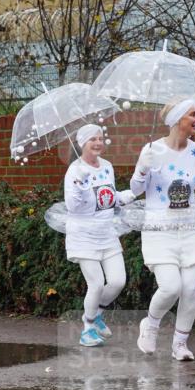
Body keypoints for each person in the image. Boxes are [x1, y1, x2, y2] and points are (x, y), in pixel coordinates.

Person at [130, 99, 195, 361]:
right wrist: (142, 168)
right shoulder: (152, 150)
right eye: (193, 114)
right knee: (171, 287)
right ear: (178, 118)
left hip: (191, 227)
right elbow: (136, 190)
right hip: (159, 230)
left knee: (191, 288)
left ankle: (180, 343)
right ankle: (150, 324)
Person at [64, 124, 135, 346]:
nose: (97, 143)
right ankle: (87, 329)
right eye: (92, 139)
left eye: (100, 138)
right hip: (83, 236)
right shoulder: (74, 170)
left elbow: (107, 198)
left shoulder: (107, 166)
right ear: (81, 144)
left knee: (117, 281)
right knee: (95, 284)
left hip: (107, 233)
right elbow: (73, 207)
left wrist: (121, 197)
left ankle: (96, 315)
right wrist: (80, 184)